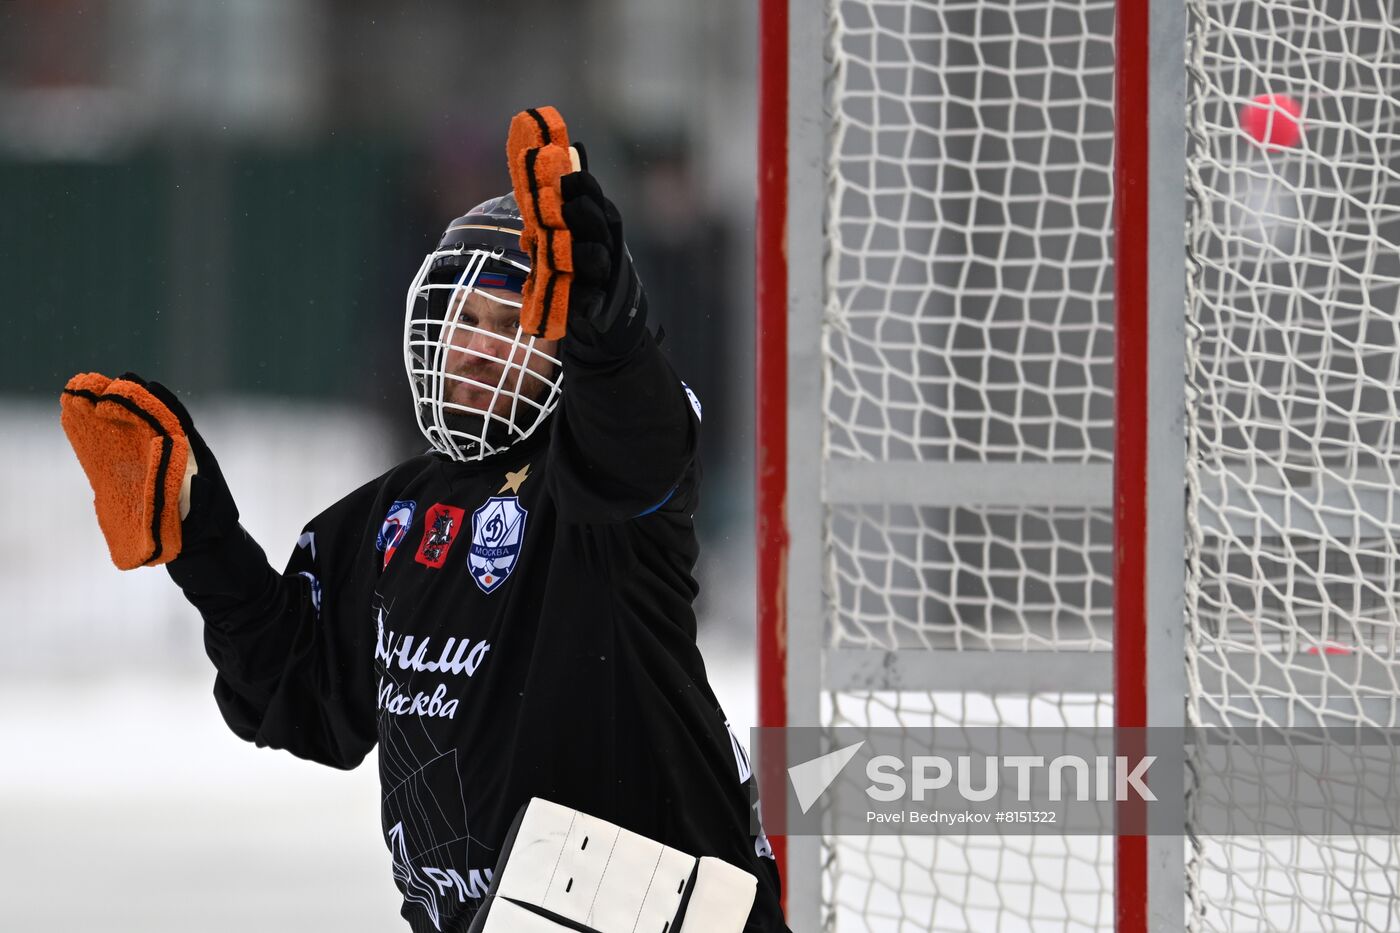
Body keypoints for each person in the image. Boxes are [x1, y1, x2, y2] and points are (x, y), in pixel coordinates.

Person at [66, 168, 789, 932]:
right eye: (464, 319)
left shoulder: (597, 484)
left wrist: (610, 329)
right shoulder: (396, 512)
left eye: (509, 324)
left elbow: (640, 435)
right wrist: (200, 538)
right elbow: (304, 693)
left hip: (660, 909)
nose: (475, 347)